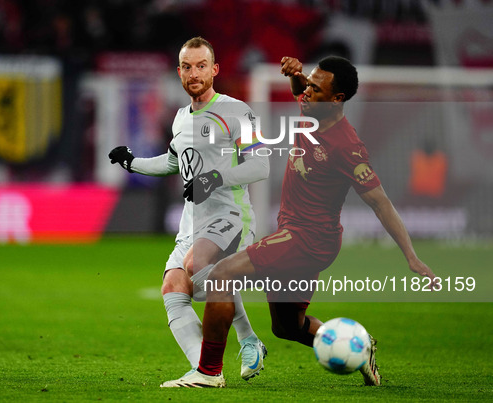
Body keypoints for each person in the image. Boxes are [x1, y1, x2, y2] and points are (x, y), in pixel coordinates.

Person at [161, 55, 438, 388]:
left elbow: (381, 204)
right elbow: (302, 88)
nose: (305, 92)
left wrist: (411, 256)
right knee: (287, 327)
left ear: (337, 99)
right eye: (308, 82)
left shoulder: (347, 148)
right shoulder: (314, 109)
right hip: (298, 236)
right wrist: (296, 75)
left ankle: (208, 372)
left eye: (315, 88)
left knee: (222, 275)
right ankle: (360, 350)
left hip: (306, 239)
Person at [109, 37, 270, 386]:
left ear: (215, 70)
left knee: (198, 266)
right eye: (186, 66)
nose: (193, 73)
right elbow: (172, 162)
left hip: (231, 218)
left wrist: (214, 178)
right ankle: (208, 369)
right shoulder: (181, 118)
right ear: (178, 72)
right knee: (173, 285)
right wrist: (132, 162)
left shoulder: (238, 111)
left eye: (201, 66)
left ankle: (245, 339)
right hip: (191, 223)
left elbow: (261, 166)